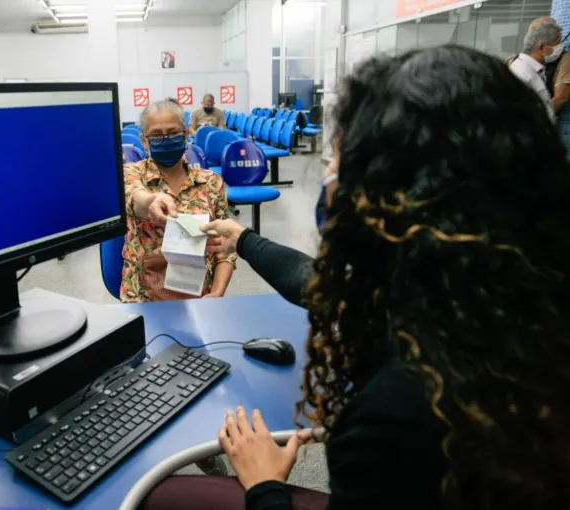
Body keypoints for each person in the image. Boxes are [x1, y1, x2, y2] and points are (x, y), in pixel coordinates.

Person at [142, 45, 570, 510]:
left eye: (341, 161)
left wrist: (265, 485)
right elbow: (320, 285)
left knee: (160, 495)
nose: (328, 178)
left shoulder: (397, 414)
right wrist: (244, 240)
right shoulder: (497, 299)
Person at [121, 99, 237, 303]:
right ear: (145, 141)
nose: (166, 139)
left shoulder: (210, 182)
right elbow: (133, 195)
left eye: (173, 133)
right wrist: (151, 201)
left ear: (185, 135)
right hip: (144, 299)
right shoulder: (131, 173)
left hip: (201, 297)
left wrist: (217, 293)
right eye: (156, 135)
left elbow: (225, 249)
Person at [509, 17, 562, 120]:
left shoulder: (533, 70)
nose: (561, 48)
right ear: (541, 47)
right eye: (557, 43)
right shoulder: (522, 73)